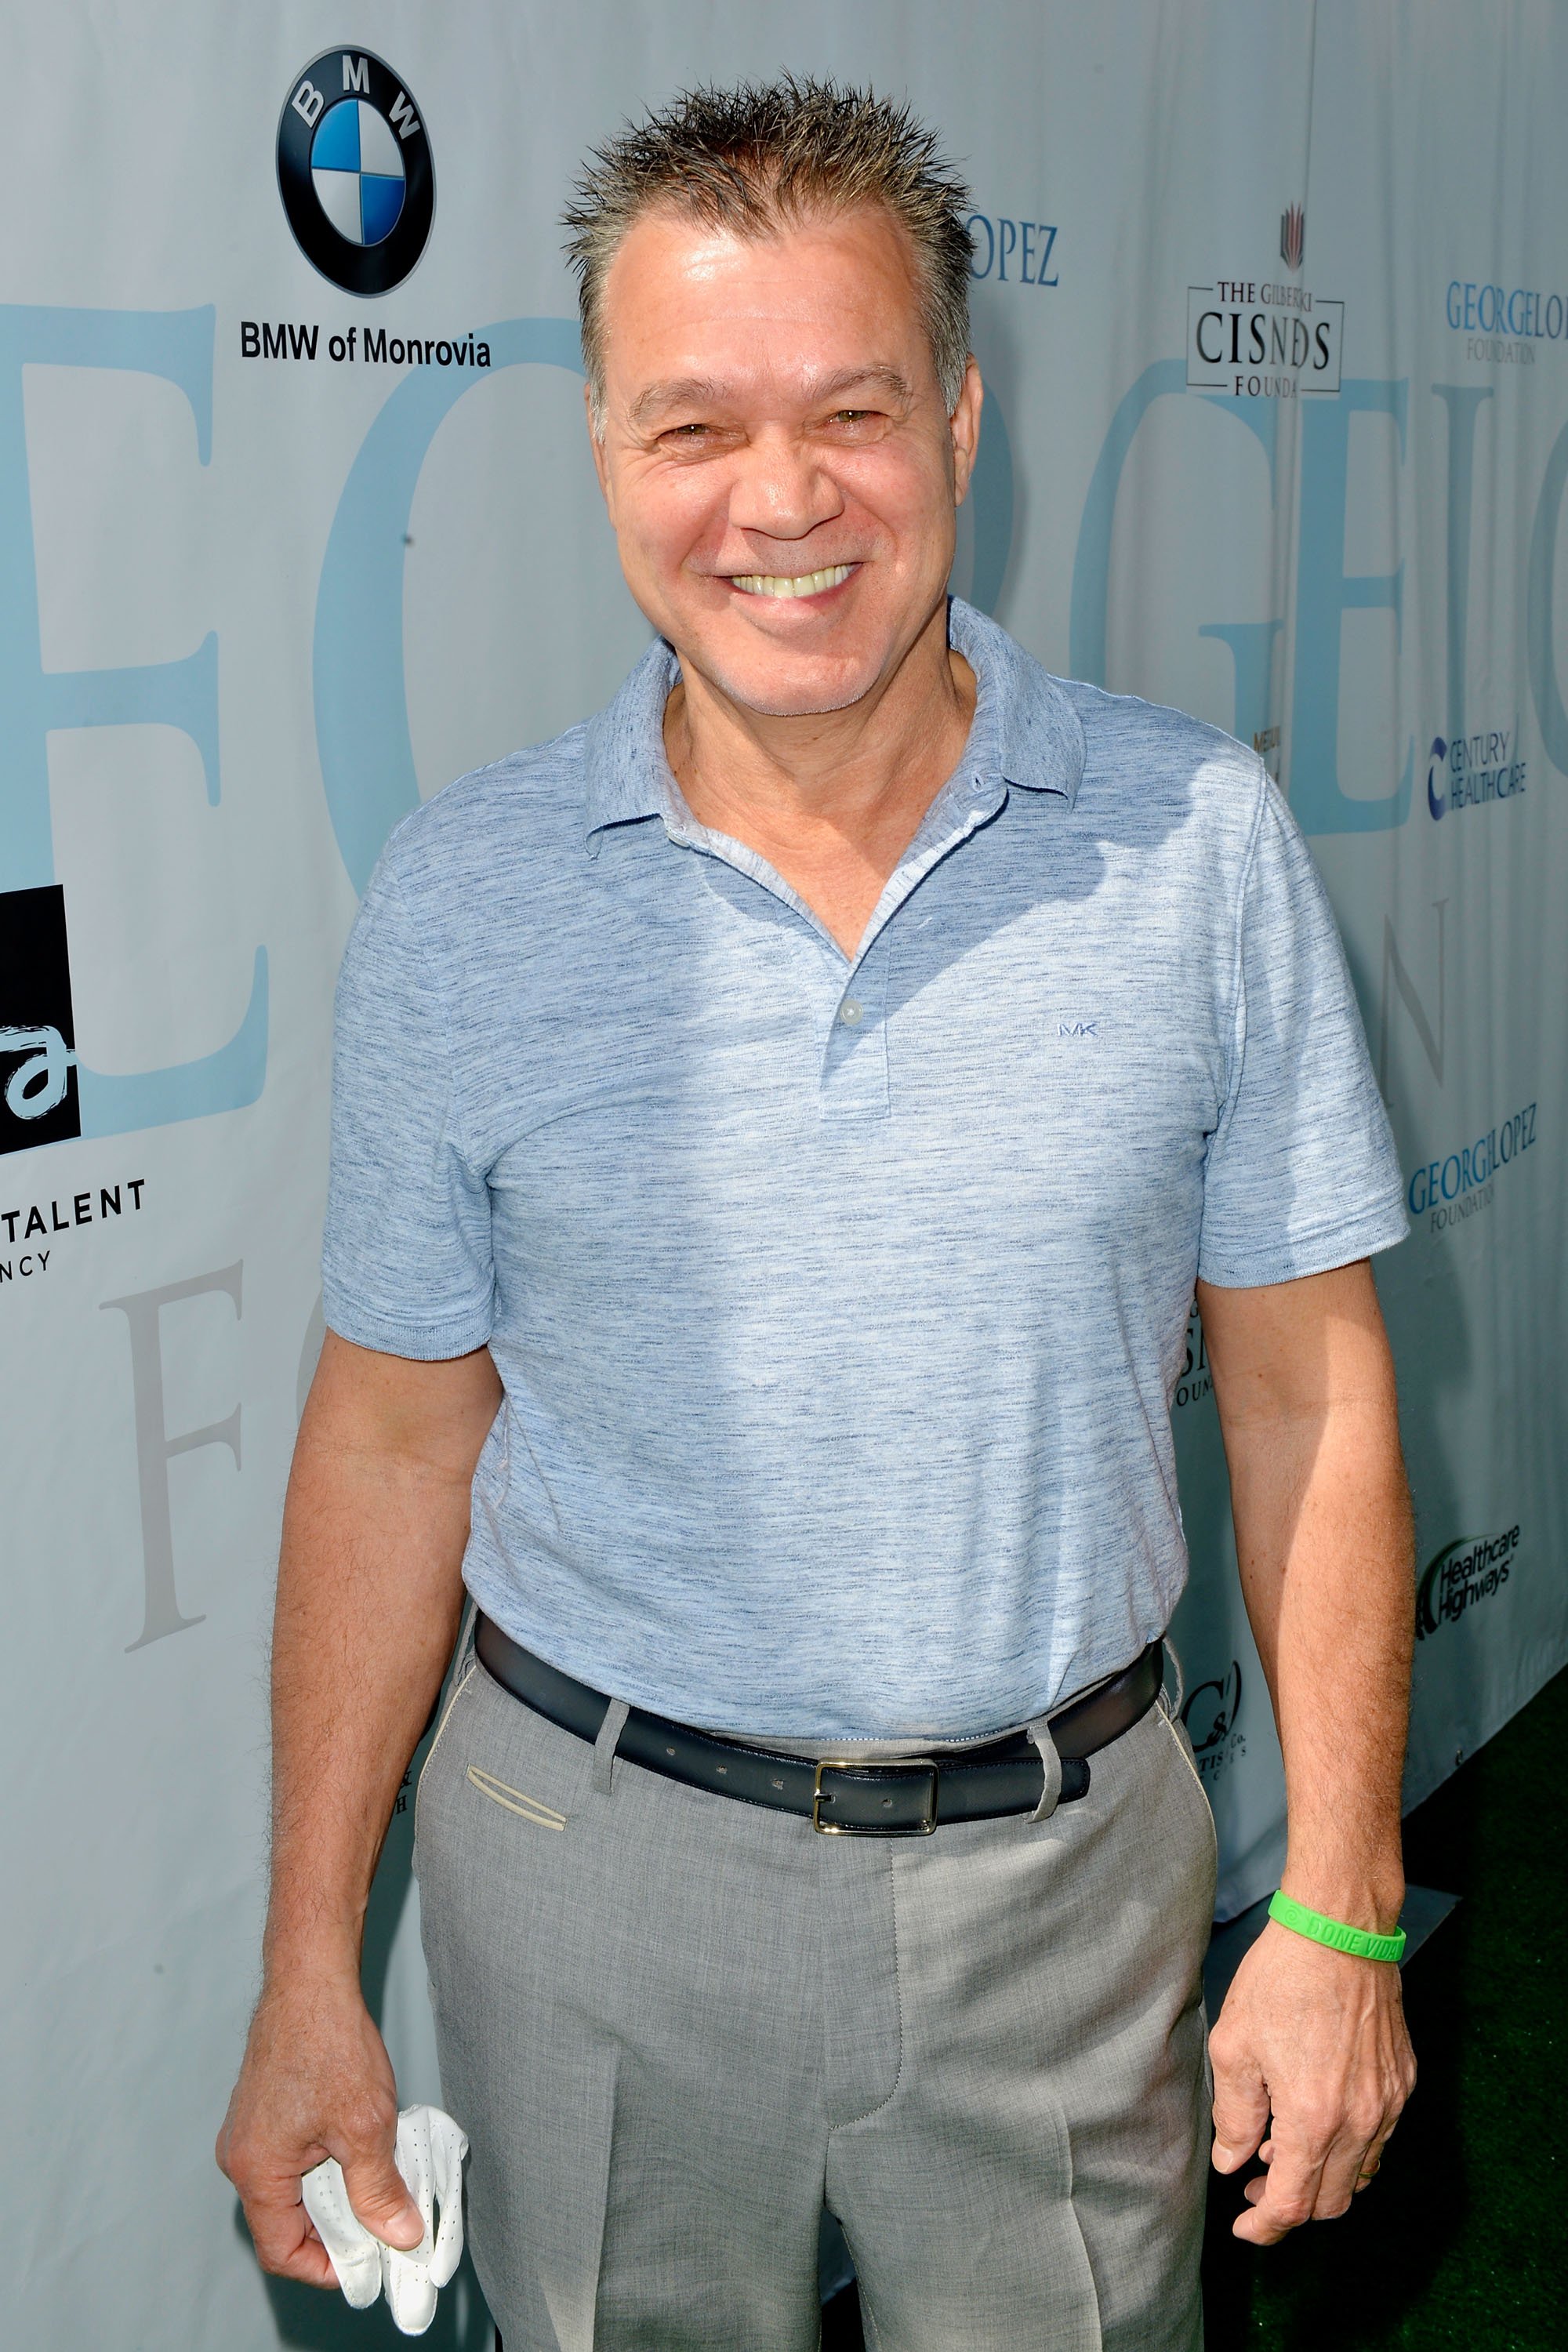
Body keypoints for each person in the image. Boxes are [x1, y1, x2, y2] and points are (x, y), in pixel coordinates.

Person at [219, 78, 1417, 2350]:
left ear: (961, 418)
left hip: (1068, 1889)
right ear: (601, 455)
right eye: (692, 427)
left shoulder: (1195, 845)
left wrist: (1344, 1905)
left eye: (852, 411)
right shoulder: (466, 900)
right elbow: (388, 1442)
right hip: (586, 1886)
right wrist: (306, 1965)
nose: (780, 502)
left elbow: (1311, 1398)